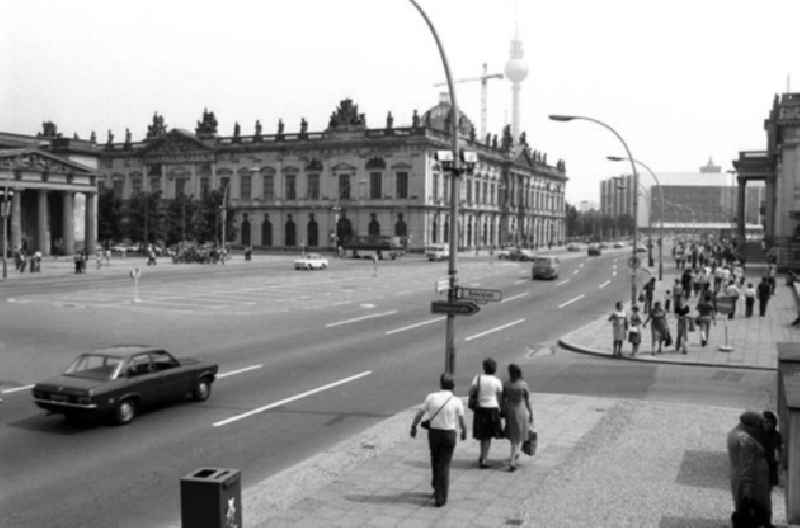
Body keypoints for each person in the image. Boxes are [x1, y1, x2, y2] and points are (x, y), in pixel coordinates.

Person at [410, 373, 466, 507]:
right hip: (449, 434)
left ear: (441, 384)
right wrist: (464, 431)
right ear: (452, 386)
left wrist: (413, 426)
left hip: (434, 434)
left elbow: (420, 413)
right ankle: (441, 497)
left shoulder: (432, 397)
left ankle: (436, 488)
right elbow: (462, 420)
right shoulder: (456, 400)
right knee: (445, 464)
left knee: (435, 460)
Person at [727, 411, 772, 528]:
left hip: (738, 478)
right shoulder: (746, 441)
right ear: (752, 426)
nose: (760, 429)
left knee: (742, 509)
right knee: (752, 513)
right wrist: (748, 490)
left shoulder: (733, 433)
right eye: (759, 426)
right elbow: (748, 466)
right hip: (754, 484)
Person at [470, 357, 504, 468]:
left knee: (484, 436)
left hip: (480, 409)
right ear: (494, 369)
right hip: (493, 409)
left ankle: (483, 456)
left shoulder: (477, 378)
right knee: (487, 436)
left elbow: (472, 391)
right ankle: (484, 459)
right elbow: (499, 397)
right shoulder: (497, 381)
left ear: (484, 368)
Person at [501, 364, 533, 473]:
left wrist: (503, 410)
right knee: (518, 435)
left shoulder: (506, 384)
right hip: (521, 410)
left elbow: (503, 399)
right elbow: (528, 401)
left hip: (510, 410)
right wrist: (531, 414)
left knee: (514, 435)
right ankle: (512, 461)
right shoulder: (523, 385)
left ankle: (516, 453)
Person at [761, 411, 783, 491]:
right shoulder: (759, 433)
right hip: (760, 467)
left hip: (771, 467)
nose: (766, 424)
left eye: (768, 422)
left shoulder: (777, 435)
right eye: (764, 422)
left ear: (773, 423)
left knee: (768, 490)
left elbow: (777, 452)